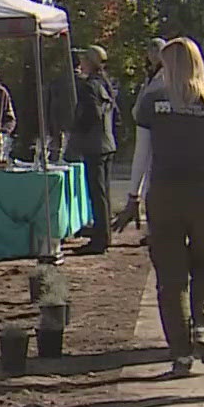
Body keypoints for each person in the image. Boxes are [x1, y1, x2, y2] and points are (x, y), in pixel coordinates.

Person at [116, 38, 204, 378]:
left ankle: (180, 354)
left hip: (163, 195)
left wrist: (133, 197)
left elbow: (141, 154)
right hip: (202, 196)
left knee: (170, 279)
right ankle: (203, 326)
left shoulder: (152, 102)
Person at [70, 45, 118, 253]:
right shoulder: (106, 84)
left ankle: (100, 240)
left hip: (95, 144)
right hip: (107, 142)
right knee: (103, 192)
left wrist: (77, 127)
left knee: (96, 193)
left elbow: (92, 113)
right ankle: (104, 234)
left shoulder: (90, 86)